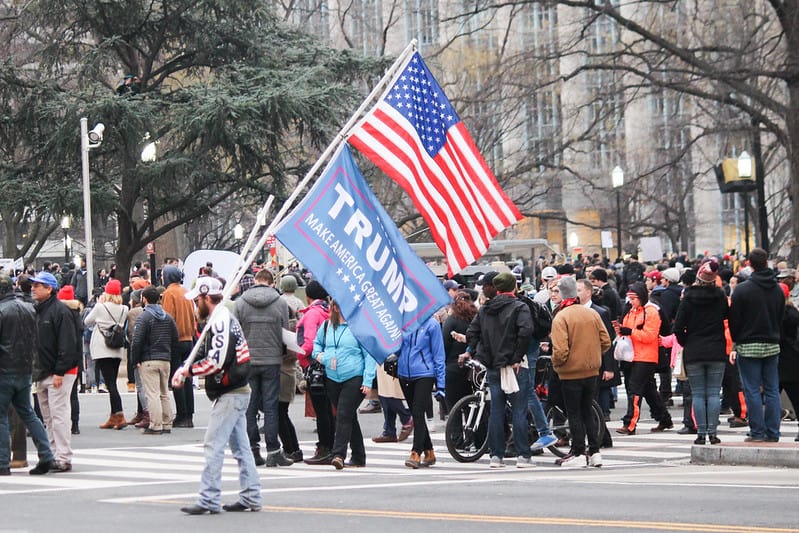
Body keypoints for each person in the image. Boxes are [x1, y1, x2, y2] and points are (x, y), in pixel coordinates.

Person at [173, 276, 261, 515]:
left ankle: (209, 498)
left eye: (197, 300)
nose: (195, 305)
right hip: (236, 389)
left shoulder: (221, 321)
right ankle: (251, 495)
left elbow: (216, 361)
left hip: (230, 392)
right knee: (241, 448)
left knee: (214, 444)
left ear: (205, 298)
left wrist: (188, 371)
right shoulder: (222, 318)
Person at [466, 272, 534, 468]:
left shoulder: (486, 309)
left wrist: (482, 353)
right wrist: (516, 356)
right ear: (513, 287)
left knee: (496, 410)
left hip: (493, 364)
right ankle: (523, 455)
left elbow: (472, 333)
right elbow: (526, 331)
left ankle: (496, 455)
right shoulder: (519, 307)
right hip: (514, 364)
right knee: (519, 410)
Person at [234, 269, 293, 467]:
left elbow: (235, 333)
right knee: (271, 406)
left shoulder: (240, 303)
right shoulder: (280, 302)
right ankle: (274, 451)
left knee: (249, 407)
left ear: (255, 281)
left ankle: (252, 449)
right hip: (272, 359)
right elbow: (286, 332)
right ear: (271, 282)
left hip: (248, 360)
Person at [551, 276, 611, 467]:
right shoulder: (591, 313)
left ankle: (578, 451)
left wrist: (557, 364)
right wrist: (593, 355)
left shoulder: (561, 317)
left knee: (574, 413)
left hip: (570, 372)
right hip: (591, 370)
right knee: (587, 411)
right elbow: (606, 341)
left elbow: (560, 351)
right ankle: (594, 451)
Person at [0, 274, 57, 476]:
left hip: (4, 370)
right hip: (24, 369)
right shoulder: (29, 308)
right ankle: (46, 455)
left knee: (2, 417)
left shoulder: (2, 311)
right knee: (28, 413)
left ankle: (2, 462)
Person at [312, 299, 376, 469]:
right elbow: (316, 344)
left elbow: (369, 354)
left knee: (343, 414)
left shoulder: (358, 327)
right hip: (332, 377)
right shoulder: (327, 326)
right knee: (348, 416)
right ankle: (358, 456)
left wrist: (368, 379)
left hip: (354, 376)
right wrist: (319, 355)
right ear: (334, 307)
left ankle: (338, 454)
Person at [729, 248, 785, 442]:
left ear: (749, 264)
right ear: (766, 262)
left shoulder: (742, 290)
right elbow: (781, 316)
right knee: (772, 389)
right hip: (772, 342)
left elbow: (734, 319)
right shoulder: (777, 289)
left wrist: (737, 339)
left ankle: (757, 431)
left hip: (748, 342)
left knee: (751, 390)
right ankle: (773, 431)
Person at [673, 260, 729, 445]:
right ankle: (713, 433)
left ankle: (701, 433)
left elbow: (678, 326)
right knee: (713, 393)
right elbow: (727, 317)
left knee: (697, 393)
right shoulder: (720, 296)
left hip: (694, 349)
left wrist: (686, 342)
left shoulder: (688, 297)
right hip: (716, 349)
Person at [30, 271, 80, 472]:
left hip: (58, 371)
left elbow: (67, 344)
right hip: (44, 370)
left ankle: (63, 456)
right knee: (49, 417)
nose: (33, 288)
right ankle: (53, 454)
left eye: (37, 285)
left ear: (49, 288)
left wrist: (60, 371)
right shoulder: (40, 310)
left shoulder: (59, 312)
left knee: (58, 415)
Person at [615, 282, 673, 435]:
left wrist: (629, 331)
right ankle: (664, 418)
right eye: (630, 298)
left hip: (646, 356)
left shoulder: (651, 312)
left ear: (641, 297)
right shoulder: (631, 311)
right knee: (648, 390)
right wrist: (621, 330)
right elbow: (628, 331)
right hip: (632, 355)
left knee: (634, 390)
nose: (631, 301)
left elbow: (649, 336)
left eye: (633, 298)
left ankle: (630, 423)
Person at [130, 287, 179, 435]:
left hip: (149, 359)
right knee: (164, 393)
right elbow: (175, 339)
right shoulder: (168, 317)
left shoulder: (144, 317)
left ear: (144, 299)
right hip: (165, 358)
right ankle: (167, 422)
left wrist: (135, 359)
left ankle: (155, 425)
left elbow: (137, 340)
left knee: (152, 394)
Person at [296, 280, 334, 464]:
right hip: (329, 363)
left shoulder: (312, 313)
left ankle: (324, 447)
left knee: (321, 410)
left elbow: (309, 343)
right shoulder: (329, 310)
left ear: (308, 296)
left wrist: (298, 352)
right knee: (329, 408)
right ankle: (333, 446)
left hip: (314, 365)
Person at [83, 279, 129, 430]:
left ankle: (119, 415)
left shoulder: (100, 307)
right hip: (117, 348)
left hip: (103, 348)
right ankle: (113, 415)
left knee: (110, 384)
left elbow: (87, 321)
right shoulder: (124, 308)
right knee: (112, 381)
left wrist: (100, 305)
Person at [161, 266, 197, 428]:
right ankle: (189, 414)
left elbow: (167, 319)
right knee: (187, 378)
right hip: (189, 339)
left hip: (175, 340)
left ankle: (181, 414)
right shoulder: (185, 291)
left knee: (177, 378)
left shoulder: (169, 293)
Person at [278, 275, 304, 461]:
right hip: (291, 369)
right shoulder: (299, 305)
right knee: (282, 412)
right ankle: (292, 448)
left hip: (283, 371)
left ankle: (291, 448)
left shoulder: (285, 331)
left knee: (280, 413)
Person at [777, 282, 799, 442]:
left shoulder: (776, 314)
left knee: (770, 397)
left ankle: (769, 428)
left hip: (777, 359)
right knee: (796, 398)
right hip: (793, 360)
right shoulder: (794, 312)